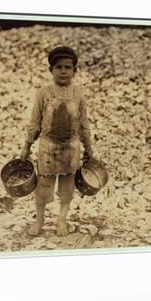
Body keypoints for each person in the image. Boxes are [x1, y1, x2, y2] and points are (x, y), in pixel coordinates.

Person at [20, 45, 96, 236]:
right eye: (59, 67)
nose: (63, 71)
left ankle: (61, 221)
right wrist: (26, 146)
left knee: (67, 187)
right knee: (43, 186)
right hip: (48, 147)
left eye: (68, 67)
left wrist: (89, 149)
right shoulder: (44, 93)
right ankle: (39, 221)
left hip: (71, 148)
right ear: (51, 70)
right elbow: (35, 122)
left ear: (74, 71)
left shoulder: (78, 94)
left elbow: (84, 124)